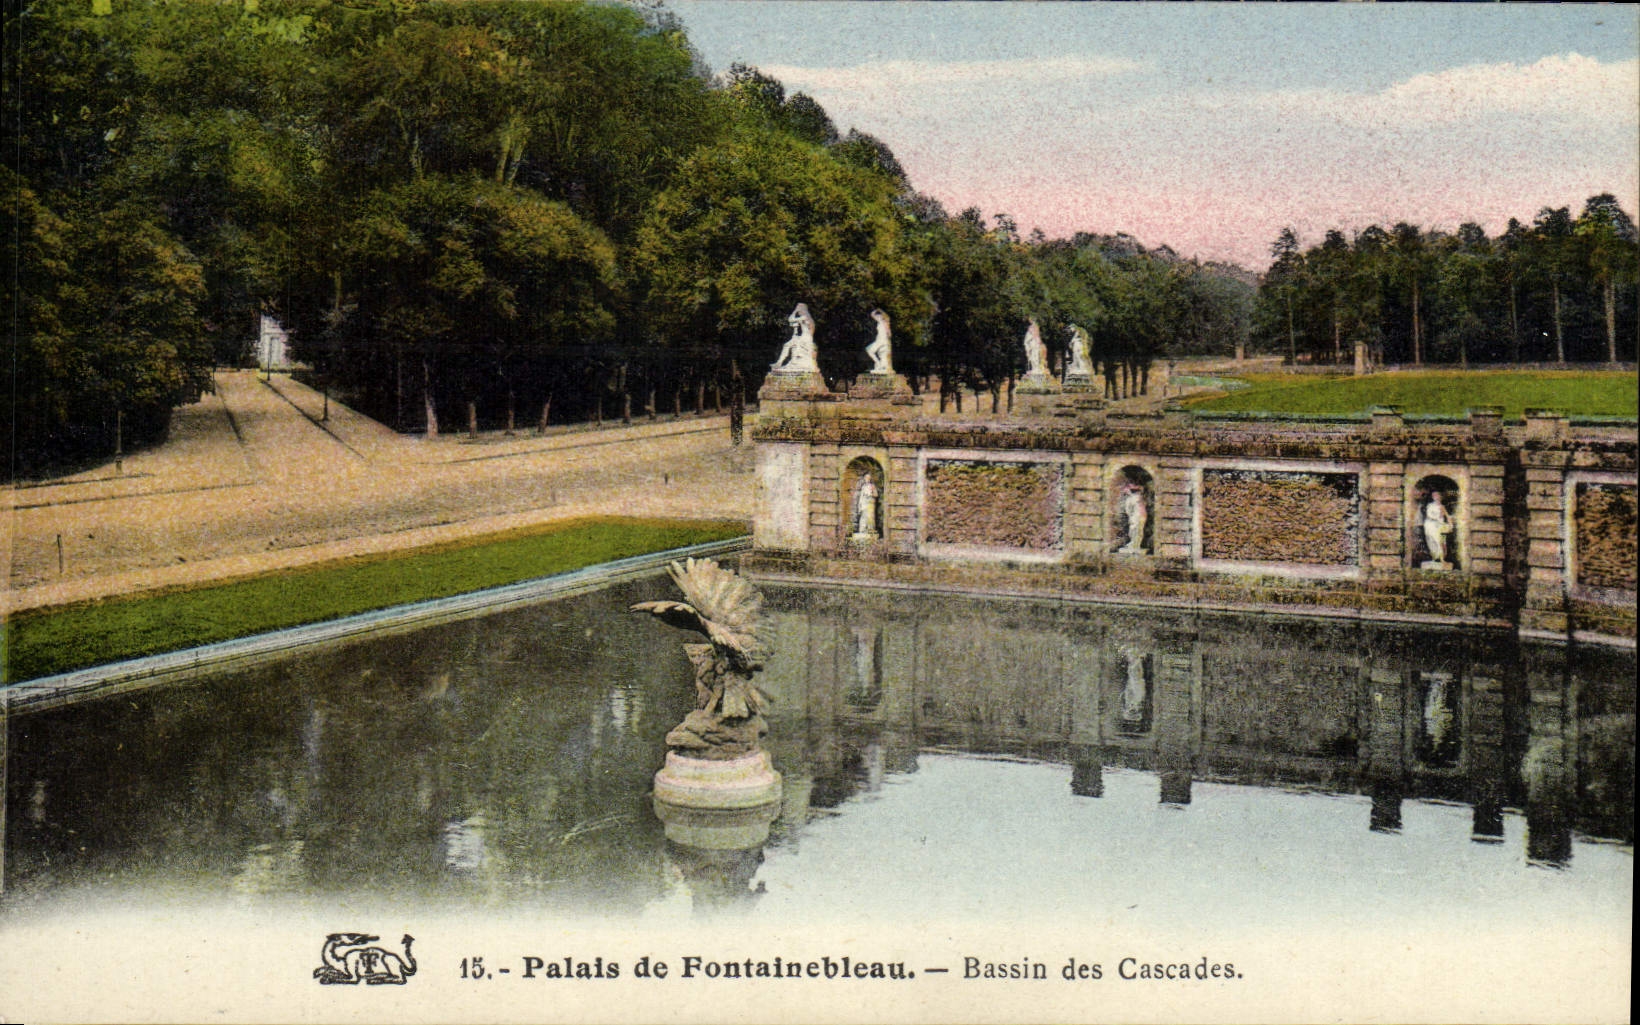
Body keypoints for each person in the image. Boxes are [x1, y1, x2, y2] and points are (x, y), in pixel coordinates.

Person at [1422, 490, 1454, 565]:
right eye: (1434, 496)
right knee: (1433, 541)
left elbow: (1447, 516)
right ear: (1432, 497)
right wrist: (1437, 517)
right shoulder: (1430, 506)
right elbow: (1429, 515)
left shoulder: (1442, 506)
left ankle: (1442, 558)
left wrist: (1450, 524)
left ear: (1440, 497)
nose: (1436, 497)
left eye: (1437, 495)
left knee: (1441, 542)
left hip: (1440, 526)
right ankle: (1435, 558)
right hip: (1431, 525)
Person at [1118, 484, 1148, 554]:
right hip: (1138, 516)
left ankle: (1135, 544)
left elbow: (1128, 509)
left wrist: (1131, 515)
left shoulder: (1134, 498)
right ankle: (1134, 544)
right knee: (1136, 530)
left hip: (1138, 516)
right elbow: (1129, 510)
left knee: (1136, 530)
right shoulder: (1137, 498)